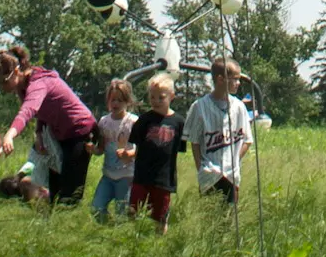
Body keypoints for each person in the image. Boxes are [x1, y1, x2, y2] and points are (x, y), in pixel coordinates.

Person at [0, 45, 96, 206]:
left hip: (79, 131)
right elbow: (43, 111)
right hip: (59, 134)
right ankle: (52, 225)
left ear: (16, 71)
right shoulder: (22, 87)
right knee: (53, 193)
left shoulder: (38, 83)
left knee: (69, 195)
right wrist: (39, 133)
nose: (2, 88)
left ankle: (73, 224)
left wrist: (10, 135)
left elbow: (29, 110)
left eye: (4, 82)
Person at [184, 56, 254, 206]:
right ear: (220, 79)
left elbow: (247, 140)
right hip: (209, 175)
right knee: (209, 218)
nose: (238, 83)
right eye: (234, 79)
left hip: (231, 174)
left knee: (230, 217)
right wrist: (201, 168)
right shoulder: (199, 106)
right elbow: (194, 142)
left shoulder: (239, 107)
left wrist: (234, 159)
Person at [125, 72, 184, 228]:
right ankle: (131, 236)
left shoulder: (178, 122)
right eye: (152, 97)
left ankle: (158, 241)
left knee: (159, 216)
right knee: (133, 210)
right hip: (142, 175)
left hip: (164, 178)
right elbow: (135, 146)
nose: (156, 101)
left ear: (171, 96)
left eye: (161, 97)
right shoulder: (144, 120)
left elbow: (179, 150)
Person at [90, 79, 137, 221]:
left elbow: (139, 151)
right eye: (113, 100)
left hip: (126, 176)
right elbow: (101, 149)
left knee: (122, 214)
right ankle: (107, 227)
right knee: (96, 208)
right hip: (108, 176)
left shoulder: (133, 122)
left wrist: (128, 154)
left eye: (120, 100)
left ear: (128, 101)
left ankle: (119, 234)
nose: (116, 104)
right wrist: (93, 150)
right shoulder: (104, 121)